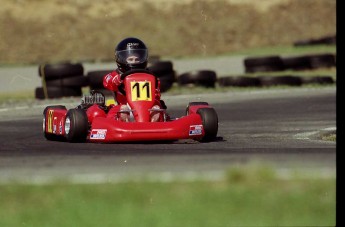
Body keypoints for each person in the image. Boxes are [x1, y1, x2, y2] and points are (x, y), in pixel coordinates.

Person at [103, 37, 165, 122]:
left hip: (147, 110)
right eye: (130, 59)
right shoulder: (115, 75)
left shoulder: (151, 77)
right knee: (121, 109)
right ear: (120, 59)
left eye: (137, 59)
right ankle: (122, 121)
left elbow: (156, 96)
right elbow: (106, 81)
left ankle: (155, 122)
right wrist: (118, 79)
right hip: (124, 108)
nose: (134, 62)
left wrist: (155, 104)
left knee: (157, 107)